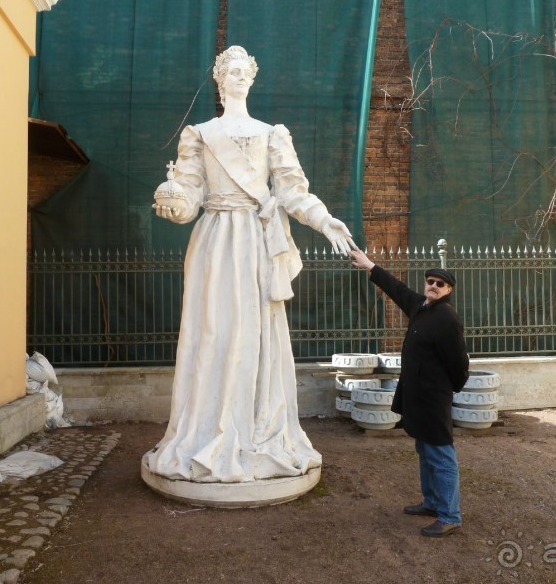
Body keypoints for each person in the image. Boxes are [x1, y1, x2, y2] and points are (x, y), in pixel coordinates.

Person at [147, 46, 357, 484]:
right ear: (220, 82)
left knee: (256, 336)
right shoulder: (200, 134)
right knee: (213, 331)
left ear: (252, 79)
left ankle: (255, 432)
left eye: (245, 71)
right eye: (232, 71)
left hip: (257, 242)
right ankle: (207, 430)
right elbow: (189, 197)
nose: (239, 77)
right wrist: (173, 203)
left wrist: (324, 219)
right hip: (215, 242)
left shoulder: (271, 133)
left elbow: (294, 191)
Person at [350, 249, 469, 537]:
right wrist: (370, 266)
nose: (433, 286)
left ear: (449, 289)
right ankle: (431, 503)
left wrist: (444, 390)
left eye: (440, 284)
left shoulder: (446, 317)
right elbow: (396, 288)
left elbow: (459, 365)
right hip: (417, 397)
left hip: (433, 399)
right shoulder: (421, 306)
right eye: (430, 281)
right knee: (425, 451)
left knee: (441, 455)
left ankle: (450, 515)